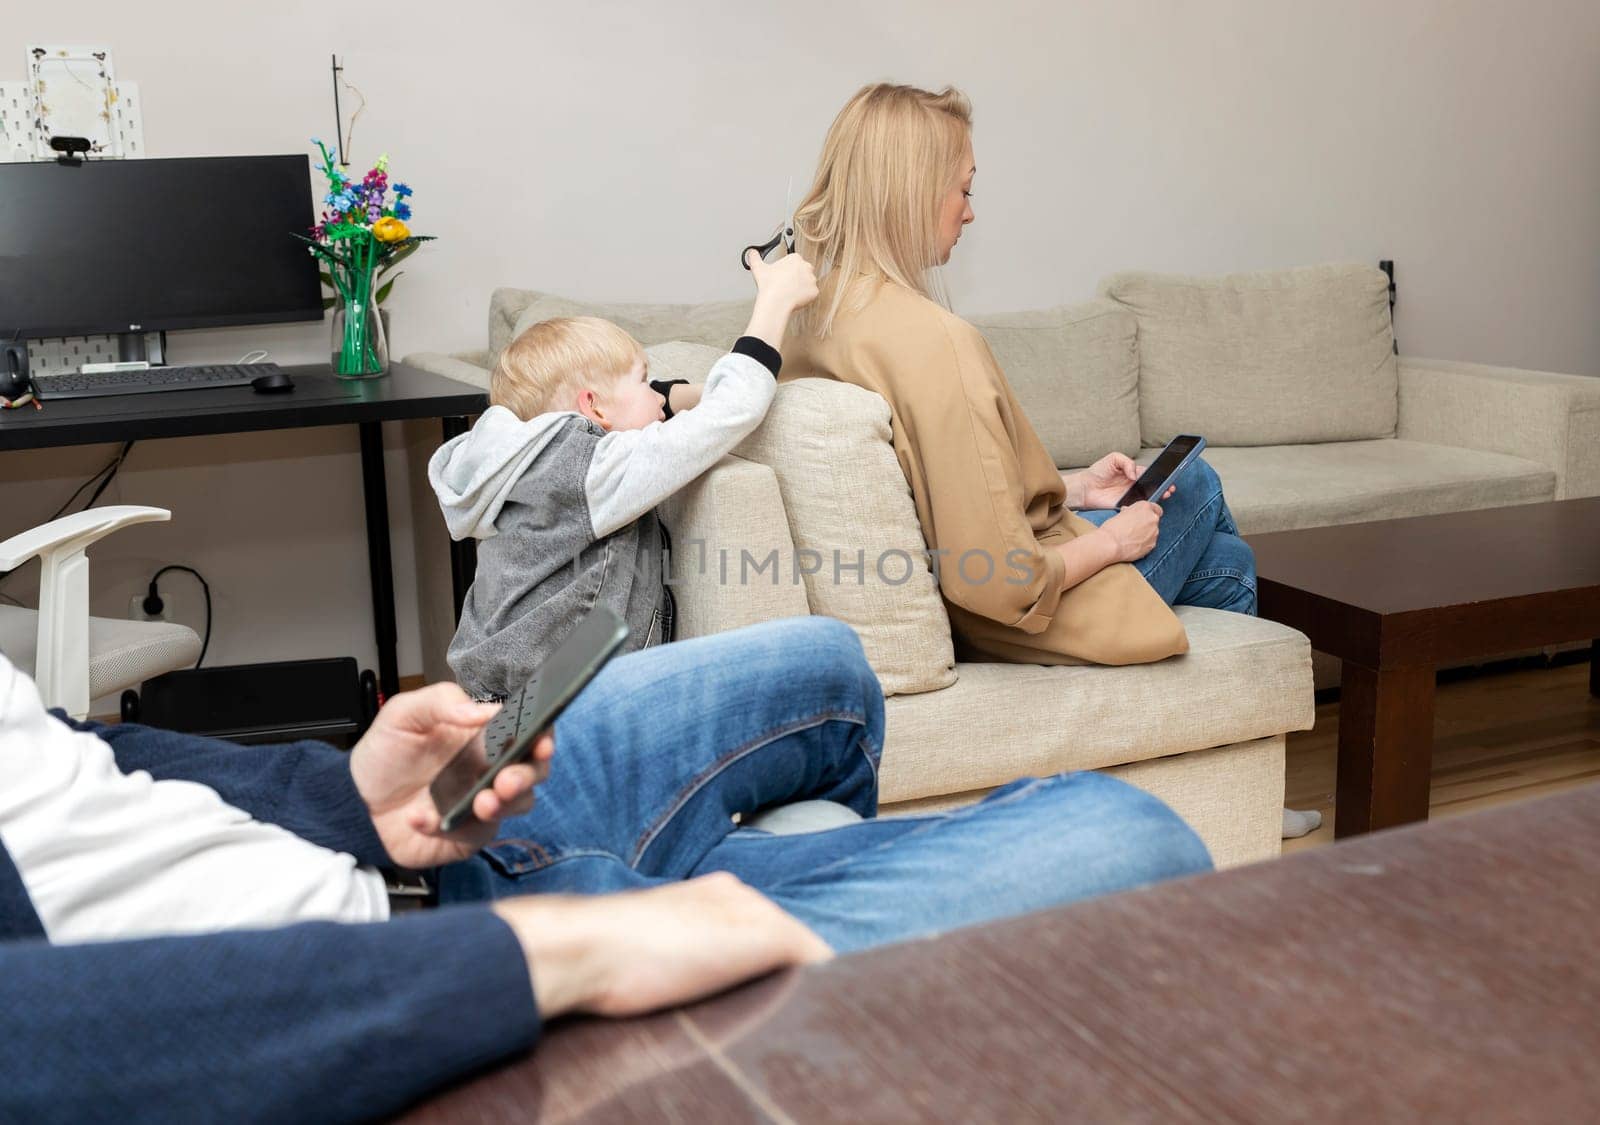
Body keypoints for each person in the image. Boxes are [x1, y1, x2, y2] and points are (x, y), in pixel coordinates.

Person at [0, 616, 1212, 1121]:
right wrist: (564, 954)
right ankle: (762, 1001)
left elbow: (72, 758)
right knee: (1130, 836)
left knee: (823, 664)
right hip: (398, 1013)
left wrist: (349, 793)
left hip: (401, 868)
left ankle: (793, 951)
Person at [783, 83, 1317, 839]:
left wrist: (1073, 486)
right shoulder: (934, 341)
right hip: (1018, 611)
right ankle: (1247, 788)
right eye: (962, 190)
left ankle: (1231, 779)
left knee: (1227, 561)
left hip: (955, 580)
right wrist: (1109, 540)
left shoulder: (810, 314)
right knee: (1195, 484)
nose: (969, 211)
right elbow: (996, 577)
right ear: (911, 193)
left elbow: (922, 479)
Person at [430, 251, 817, 700]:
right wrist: (774, 302)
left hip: (499, 689)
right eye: (642, 380)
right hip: (558, 700)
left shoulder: (525, 459)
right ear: (593, 407)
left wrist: (678, 396)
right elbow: (732, 413)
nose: (655, 394)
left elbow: (664, 408)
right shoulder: (590, 470)